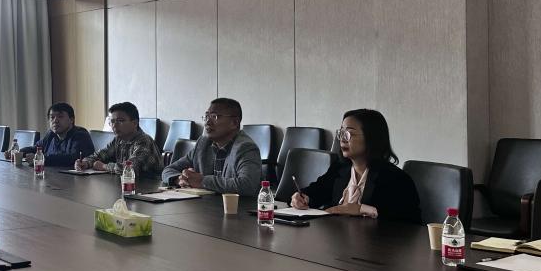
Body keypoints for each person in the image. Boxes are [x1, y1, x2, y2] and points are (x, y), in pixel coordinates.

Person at [291, 108, 421, 223]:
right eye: (341, 133)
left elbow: (410, 221)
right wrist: (302, 198)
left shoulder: (395, 178)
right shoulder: (340, 168)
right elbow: (316, 191)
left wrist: (361, 209)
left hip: (376, 242)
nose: (342, 139)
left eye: (349, 134)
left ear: (371, 138)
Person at [161, 98, 262, 195]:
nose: (207, 122)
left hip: (236, 206)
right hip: (205, 204)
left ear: (234, 123)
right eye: (206, 116)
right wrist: (180, 179)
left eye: (214, 116)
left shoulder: (245, 148)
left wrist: (202, 181)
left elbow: (247, 185)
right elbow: (168, 170)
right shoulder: (203, 144)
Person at [74, 102, 162, 176]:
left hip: (150, 187)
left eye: (120, 121)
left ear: (135, 123)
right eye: (112, 121)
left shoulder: (144, 141)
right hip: (126, 184)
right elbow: (100, 155)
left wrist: (104, 166)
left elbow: (130, 169)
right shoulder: (118, 140)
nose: (114, 125)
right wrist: (85, 163)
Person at [5, 102, 95, 167]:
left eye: (60, 116)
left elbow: (72, 158)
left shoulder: (80, 135)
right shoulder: (51, 134)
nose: (55, 120)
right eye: (52, 117)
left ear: (71, 119)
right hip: (53, 177)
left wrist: (41, 159)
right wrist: (18, 153)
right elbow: (36, 148)